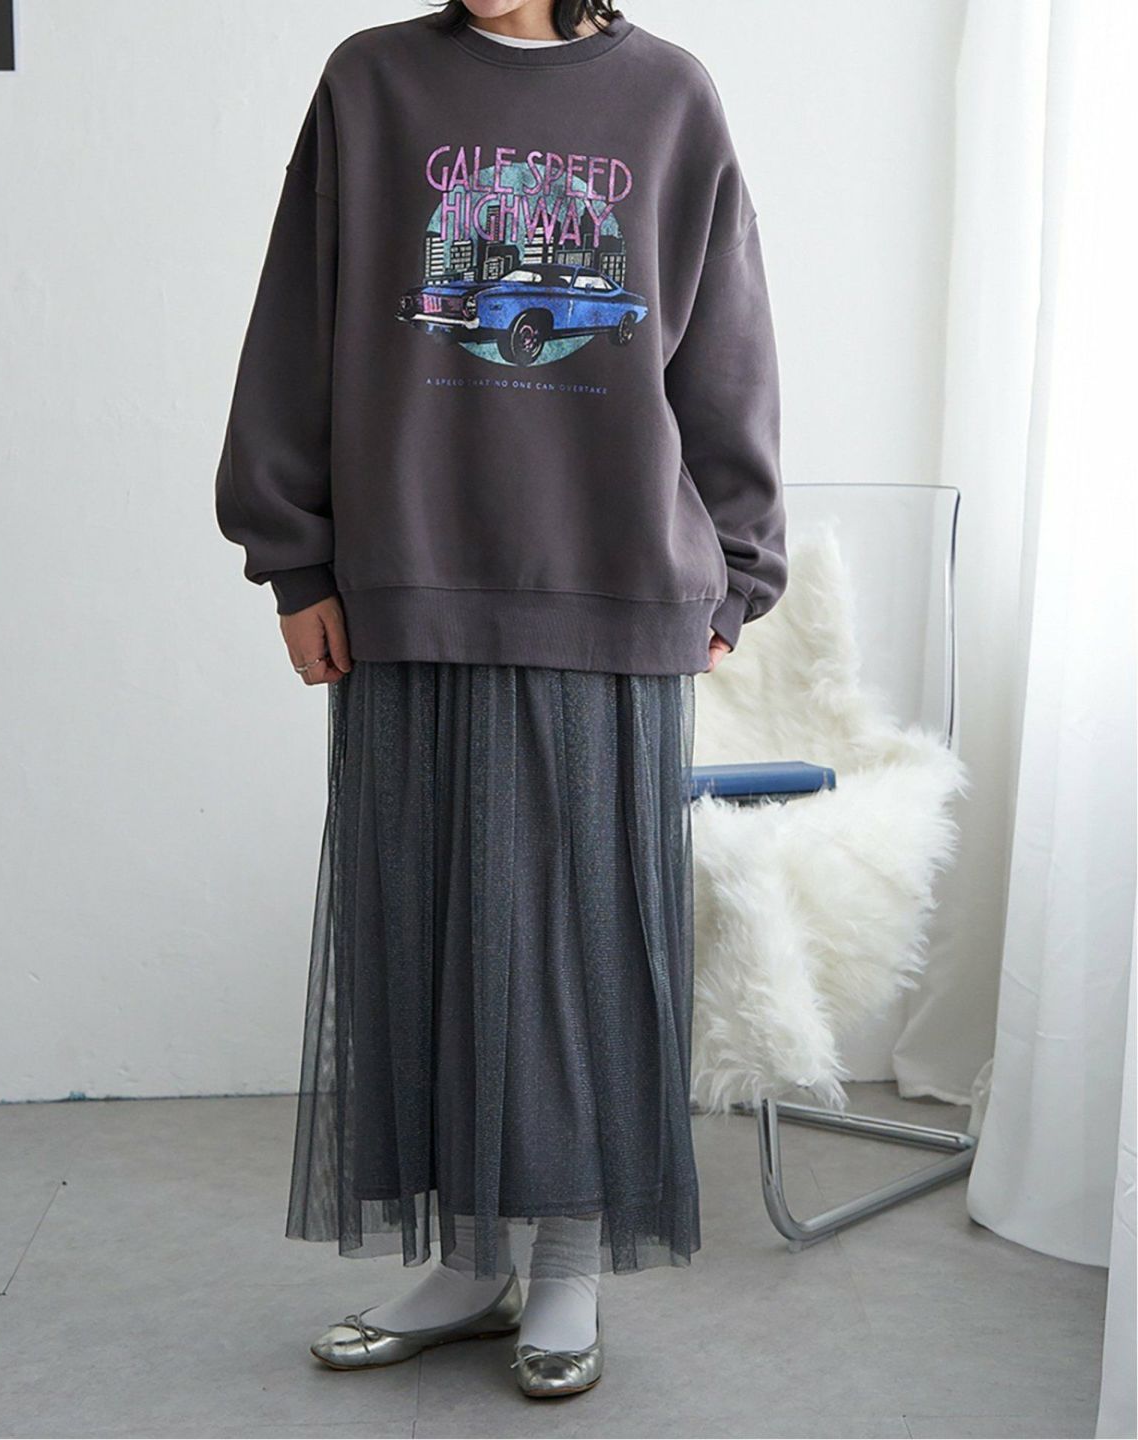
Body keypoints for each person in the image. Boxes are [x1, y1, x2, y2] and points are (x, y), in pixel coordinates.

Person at [214, 0, 786, 1401]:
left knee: (587, 947)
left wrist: (737, 571)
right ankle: (470, 1268)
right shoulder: (372, 81)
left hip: (613, 583)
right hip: (407, 577)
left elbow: (725, 343)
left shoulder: (668, 94)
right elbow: (296, 327)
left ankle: (569, 1267)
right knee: (419, 930)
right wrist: (296, 562)